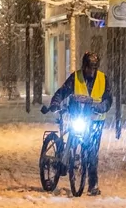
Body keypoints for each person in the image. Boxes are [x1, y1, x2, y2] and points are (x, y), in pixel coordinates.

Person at [47, 52, 112, 196]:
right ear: (84, 66)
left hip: (96, 121)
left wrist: (100, 107)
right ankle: (65, 160)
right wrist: (56, 102)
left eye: (93, 68)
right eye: (89, 68)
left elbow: (108, 99)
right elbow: (63, 91)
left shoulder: (103, 79)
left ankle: (93, 184)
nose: (91, 71)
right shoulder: (76, 78)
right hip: (78, 116)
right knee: (73, 138)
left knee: (92, 152)